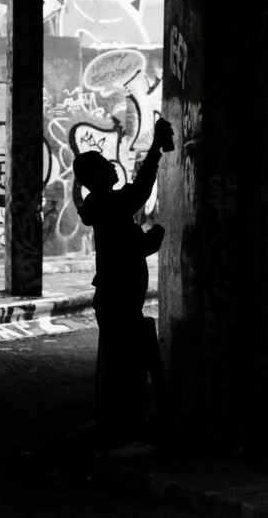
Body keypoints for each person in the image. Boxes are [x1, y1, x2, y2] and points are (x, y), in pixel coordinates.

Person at [73, 117, 174, 448]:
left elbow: (131, 247)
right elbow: (139, 192)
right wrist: (157, 150)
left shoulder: (107, 209)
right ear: (92, 179)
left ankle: (116, 427)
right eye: (103, 166)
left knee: (121, 367)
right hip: (119, 300)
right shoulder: (107, 205)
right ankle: (120, 431)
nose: (111, 168)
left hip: (118, 299)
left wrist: (150, 240)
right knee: (125, 370)